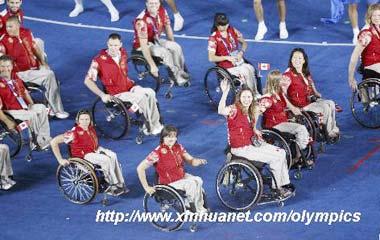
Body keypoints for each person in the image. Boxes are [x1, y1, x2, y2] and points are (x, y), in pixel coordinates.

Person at [218, 79, 294, 197]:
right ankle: (277, 188)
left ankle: (283, 183)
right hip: (241, 148)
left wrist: (254, 129)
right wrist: (225, 92)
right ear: (239, 98)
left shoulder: (251, 110)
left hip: (251, 144)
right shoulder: (234, 109)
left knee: (282, 152)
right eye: (244, 97)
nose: (246, 99)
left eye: (249, 97)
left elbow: (252, 123)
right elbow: (220, 110)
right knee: (275, 159)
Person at [84, 33, 163, 135]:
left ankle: (156, 124)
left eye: (116, 45)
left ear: (120, 44)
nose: (113, 48)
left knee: (150, 93)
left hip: (130, 87)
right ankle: (149, 127)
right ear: (107, 44)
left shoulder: (123, 53)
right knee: (142, 98)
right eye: (111, 45)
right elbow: (87, 80)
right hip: (116, 93)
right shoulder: (98, 60)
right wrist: (102, 95)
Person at [0, 16, 69, 119]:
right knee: (49, 75)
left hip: (34, 68)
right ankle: (57, 110)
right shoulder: (3, 41)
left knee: (51, 74)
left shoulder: (27, 32)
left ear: (18, 25)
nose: (7, 29)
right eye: (7, 26)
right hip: (19, 74)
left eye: (10, 26)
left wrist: (43, 62)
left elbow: (34, 48)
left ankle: (52, 107)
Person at [50, 110, 128, 196]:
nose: (84, 122)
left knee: (113, 155)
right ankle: (111, 184)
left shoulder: (91, 129)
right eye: (82, 119)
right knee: (106, 160)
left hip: (94, 150)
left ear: (90, 120)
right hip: (83, 156)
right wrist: (60, 159)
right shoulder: (73, 133)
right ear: (78, 120)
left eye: (87, 119)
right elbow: (54, 142)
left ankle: (120, 183)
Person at [137, 125, 208, 213]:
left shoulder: (178, 147)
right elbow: (140, 168)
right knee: (191, 184)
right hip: (169, 184)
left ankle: (199, 207)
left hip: (181, 177)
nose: (172, 139)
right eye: (168, 136)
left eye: (174, 136)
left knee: (198, 180)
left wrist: (199, 161)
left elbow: (191, 161)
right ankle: (190, 208)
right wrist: (146, 187)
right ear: (163, 137)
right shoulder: (157, 153)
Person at [283, 48, 339, 140]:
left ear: (304, 60)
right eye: (294, 58)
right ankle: (327, 131)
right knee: (325, 107)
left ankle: (333, 128)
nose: (297, 60)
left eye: (299, 58)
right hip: (299, 106)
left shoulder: (304, 72)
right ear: (291, 60)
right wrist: (292, 107)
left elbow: (310, 82)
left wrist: (316, 92)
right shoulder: (288, 75)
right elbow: (282, 94)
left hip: (309, 101)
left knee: (331, 103)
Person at [259, 70, 311, 164]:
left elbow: (288, 106)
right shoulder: (267, 99)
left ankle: (298, 152)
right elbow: (258, 111)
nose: (284, 79)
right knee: (301, 129)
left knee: (301, 124)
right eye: (281, 79)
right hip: (274, 125)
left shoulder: (279, 94)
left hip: (283, 121)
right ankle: (299, 154)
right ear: (276, 82)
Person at [133, 0, 189, 86]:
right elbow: (144, 46)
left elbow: (168, 28)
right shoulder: (141, 21)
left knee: (176, 47)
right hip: (143, 45)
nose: (154, 5)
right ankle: (174, 76)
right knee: (165, 52)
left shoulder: (162, 11)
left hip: (155, 40)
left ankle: (180, 72)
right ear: (146, 4)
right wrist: (152, 65)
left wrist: (172, 46)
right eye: (151, 3)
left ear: (160, 3)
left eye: (156, 3)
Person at [0, 55, 51, 149]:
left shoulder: (15, 77)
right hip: (10, 111)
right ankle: (35, 143)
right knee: (32, 115)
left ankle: (44, 138)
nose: (5, 69)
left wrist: (32, 104)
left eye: (8, 66)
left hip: (23, 106)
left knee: (42, 108)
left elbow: (24, 92)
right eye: (2, 66)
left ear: (12, 66)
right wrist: (7, 121)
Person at [208, 13, 258, 93]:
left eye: (226, 24)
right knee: (246, 72)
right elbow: (211, 58)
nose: (225, 27)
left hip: (238, 61)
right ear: (217, 25)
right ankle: (251, 94)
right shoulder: (213, 38)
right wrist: (227, 57)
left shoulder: (232, 30)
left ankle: (254, 93)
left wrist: (241, 52)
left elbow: (244, 43)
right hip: (226, 66)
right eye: (222, 25)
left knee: (251, 69)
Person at [348, 3, 380, 91]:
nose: (377, 18)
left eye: (379, 15)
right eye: (374, 15)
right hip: (371, 65)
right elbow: (354, 57)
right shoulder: (366, 35)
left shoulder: (378, 27)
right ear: (370, 16)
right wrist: (351, 78)